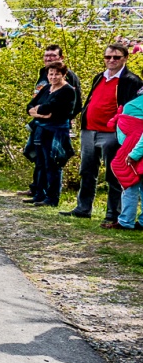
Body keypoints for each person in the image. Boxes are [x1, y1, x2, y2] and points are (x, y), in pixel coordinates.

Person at [61, 43, 143, 225]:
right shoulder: (100, 77)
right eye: (108, 57)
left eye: (116, 57)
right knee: (87, 170)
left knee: (113, 173)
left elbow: (134, 110)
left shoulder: (132, 80)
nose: (111, 61)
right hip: (89, 130)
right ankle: (83, 208)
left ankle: (113, 213)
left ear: (125, 58)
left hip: (112, 133)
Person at [21, 45, 82, 197]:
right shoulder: (44, 74)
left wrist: (63, 117)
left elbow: (74, 104)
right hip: (39, 124)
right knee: (36, 156)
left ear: (61, 58)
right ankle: (37, 189)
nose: (49, 58)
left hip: (56, 126)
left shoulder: (67, 79)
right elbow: (33, 104)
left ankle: (50, 194)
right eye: (46, 55)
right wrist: (38, 113)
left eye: (53, 56)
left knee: (52, 161)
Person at [111, 90, 143, 229]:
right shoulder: (138, 93)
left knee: (130, 185)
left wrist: (134, 153)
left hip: (135, 149)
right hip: (132, 146)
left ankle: (126, 221)